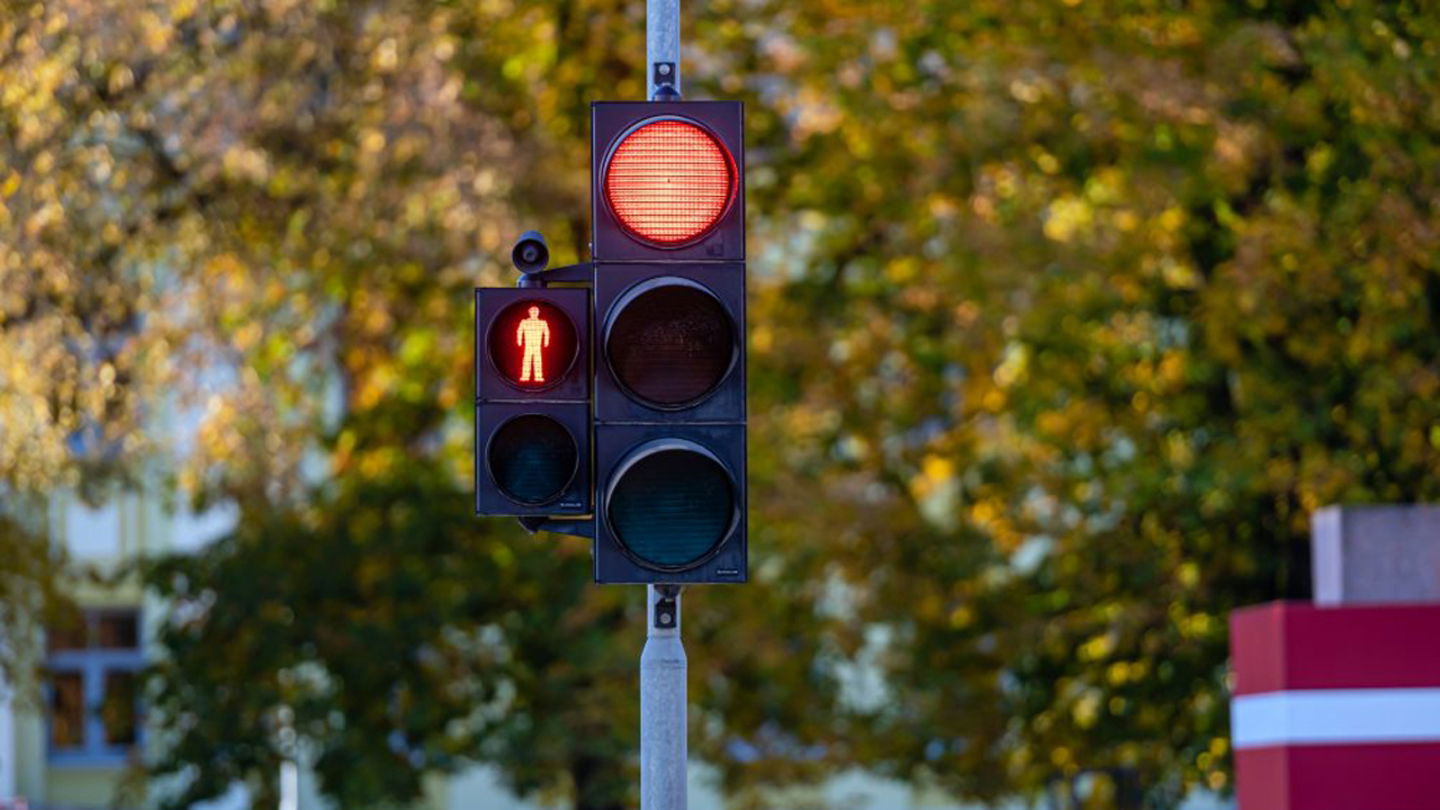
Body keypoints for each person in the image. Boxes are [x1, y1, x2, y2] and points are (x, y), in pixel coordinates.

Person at [516, 305, 550, 383]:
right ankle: (525, 376)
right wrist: (519, 340)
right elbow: (519, 331)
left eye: (536, 312)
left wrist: (546, 341)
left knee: (538, 360)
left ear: (538, 313)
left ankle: (538, 377)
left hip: (537, 344)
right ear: (529, 312)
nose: (534, 313)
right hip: (528, 344)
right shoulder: (524, 322)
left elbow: (546, 332)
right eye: (532, 311)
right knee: (526, 360)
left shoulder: (542, 322)